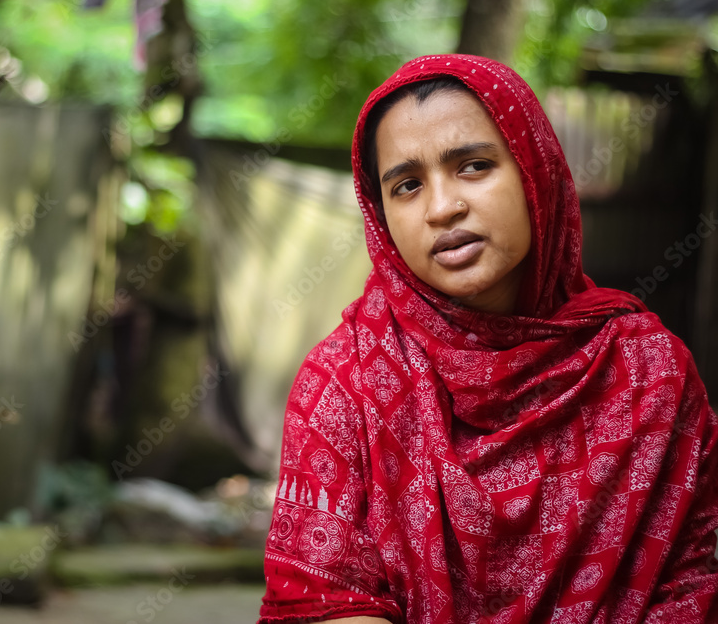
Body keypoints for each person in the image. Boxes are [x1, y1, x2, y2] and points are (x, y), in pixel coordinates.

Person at [257, 54, 718, 623]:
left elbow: (688, 588)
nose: (443, 208)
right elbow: (321, 599)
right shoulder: (344, 382)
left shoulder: (649, 374)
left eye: (473, 166)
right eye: (406, 185)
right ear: (381, 216)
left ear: (535, 172)